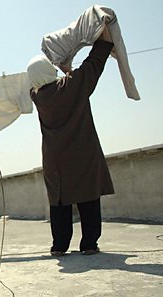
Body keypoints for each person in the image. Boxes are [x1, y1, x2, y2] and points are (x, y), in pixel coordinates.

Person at [26, 30, 115, 256]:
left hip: (55, 161)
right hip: (82, 154)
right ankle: (89, 245)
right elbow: (93, 65)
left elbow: (50, 85)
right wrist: (103, 40)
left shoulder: (37, 97)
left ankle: (59, 246)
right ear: (49, 71)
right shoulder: (71, 87)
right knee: (89, 198)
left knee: (59, 202)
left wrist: (65, 71)